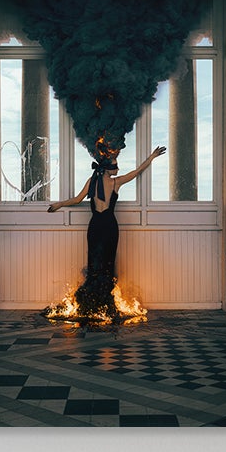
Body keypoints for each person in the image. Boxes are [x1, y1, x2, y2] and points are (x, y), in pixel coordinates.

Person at [47, 135, 165, 323]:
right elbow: (137, 172)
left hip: (95, 225)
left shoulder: (92, 180)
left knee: (95, 261)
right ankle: (103, 302)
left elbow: (77, 200)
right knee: (107, 261)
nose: (118, 168)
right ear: (109, 169)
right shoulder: (115, 182)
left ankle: (93, 302)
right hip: (109, 225)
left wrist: (59, 204)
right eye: (116, 165)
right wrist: (151, 157)